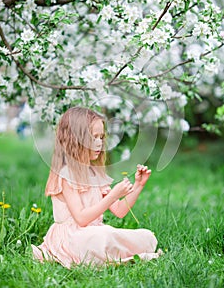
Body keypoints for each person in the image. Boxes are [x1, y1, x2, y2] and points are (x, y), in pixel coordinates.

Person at [31, 107, 162, 268]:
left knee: (145, 235)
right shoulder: (66, 174)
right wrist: (113, 195)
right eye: (93, 138)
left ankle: (111, 252)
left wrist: (138, 185)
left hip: (94, 232)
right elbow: (81, 219)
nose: (100, 143)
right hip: (72, 237)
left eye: (101, 137)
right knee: (103, 236)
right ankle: (109, 253)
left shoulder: (95, 174)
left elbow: (120, 211)